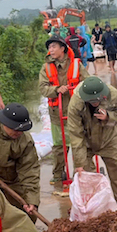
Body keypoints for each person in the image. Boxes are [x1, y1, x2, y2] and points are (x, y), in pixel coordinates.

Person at [67, 76, 117, 209]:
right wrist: (79, 163)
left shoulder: (112, 94)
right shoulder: (76, 102)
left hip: (108, 138)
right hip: (86, 142)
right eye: (91, 101)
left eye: (97, 100)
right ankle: (90, 213)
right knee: (84, 178)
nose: (95, 103)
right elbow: (75, 134)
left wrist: (108, 116)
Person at [38, 34, 88, 183]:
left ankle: (80, 175)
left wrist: (77, 88)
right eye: (49, 47)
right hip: (56, 113)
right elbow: (42, 88)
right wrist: (57, 89)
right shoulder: (46, 67)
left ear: (62, 49)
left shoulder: (76, 64)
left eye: (53, 46)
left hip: (77, 112)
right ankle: (58, 175)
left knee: (79, 144)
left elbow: (87, 82)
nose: (50, 50)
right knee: (60, 146)